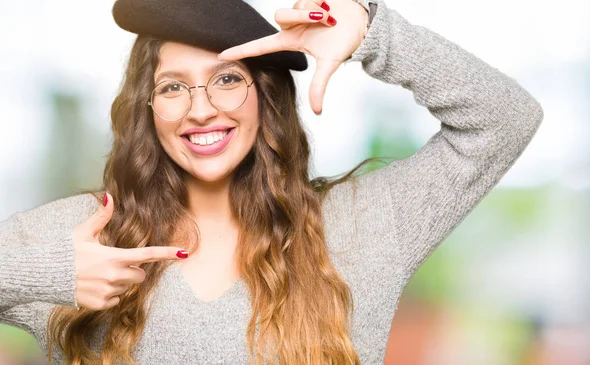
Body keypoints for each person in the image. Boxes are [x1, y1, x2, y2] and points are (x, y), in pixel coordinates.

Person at [0, 0, 544, 364]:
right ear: (147, 108)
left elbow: (506, 119)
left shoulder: (365, 225)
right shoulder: (84, 233)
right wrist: (43, 272)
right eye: (173, 88)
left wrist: (373, 34)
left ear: (266, 97)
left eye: (228, 80)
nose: (201, 110)